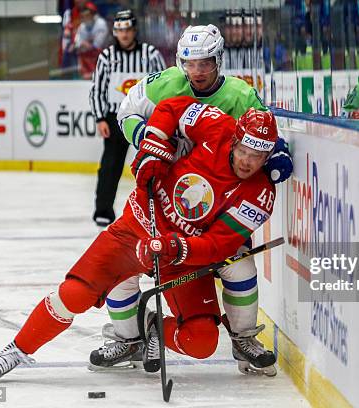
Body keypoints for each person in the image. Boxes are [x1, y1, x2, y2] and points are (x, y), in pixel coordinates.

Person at [0, 96, 278, 381]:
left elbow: (219, 245)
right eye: (244, 151)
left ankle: (151, 328)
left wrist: (175, 247)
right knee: (75, 293)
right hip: (136, 227)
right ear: (235, 140)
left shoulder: (260, 193)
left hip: (182, 255)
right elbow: (171, 108)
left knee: (201, 342)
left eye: (258, 156)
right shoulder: (217, 125)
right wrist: (154, 146)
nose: (248, 162)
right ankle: (17, 350)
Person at [88, 24, 292, 376]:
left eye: (206, 63)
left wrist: (276, 155)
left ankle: (244, 338)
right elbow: (126, 112)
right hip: (169, 198)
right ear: (181, 62)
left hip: (220, 206)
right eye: (190, 63)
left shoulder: (241, 95)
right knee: (126, 264)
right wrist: (152, 144)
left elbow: (265, 135)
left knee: (240, 266)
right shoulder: (165, 82)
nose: (198, 71)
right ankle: (129, 336)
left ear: (219, 60)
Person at [90, 9, 166, 227]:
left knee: (153, 162)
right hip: (115, 118)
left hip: (146, 119)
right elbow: (97, 89)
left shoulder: (150, 54)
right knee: (110, 166)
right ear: (115, 32)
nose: (124, 35)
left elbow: (163, 86)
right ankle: (103, 210)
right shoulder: (106, 57)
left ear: (134, 30)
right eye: (120, 31)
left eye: (128, 30)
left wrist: (162, 118)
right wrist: (100, 118)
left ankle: (160, 210)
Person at [74, 2, 109, 79]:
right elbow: (77, 43)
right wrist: (82, 44)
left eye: (87, 16)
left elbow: (98, 44)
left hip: (102, 54)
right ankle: (85, 74)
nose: (85, 18)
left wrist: (85, 44)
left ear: (93, 15)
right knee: (81, 53)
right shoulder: (82, 26)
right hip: (87, 55)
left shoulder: (101, 24)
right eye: (83, 16)